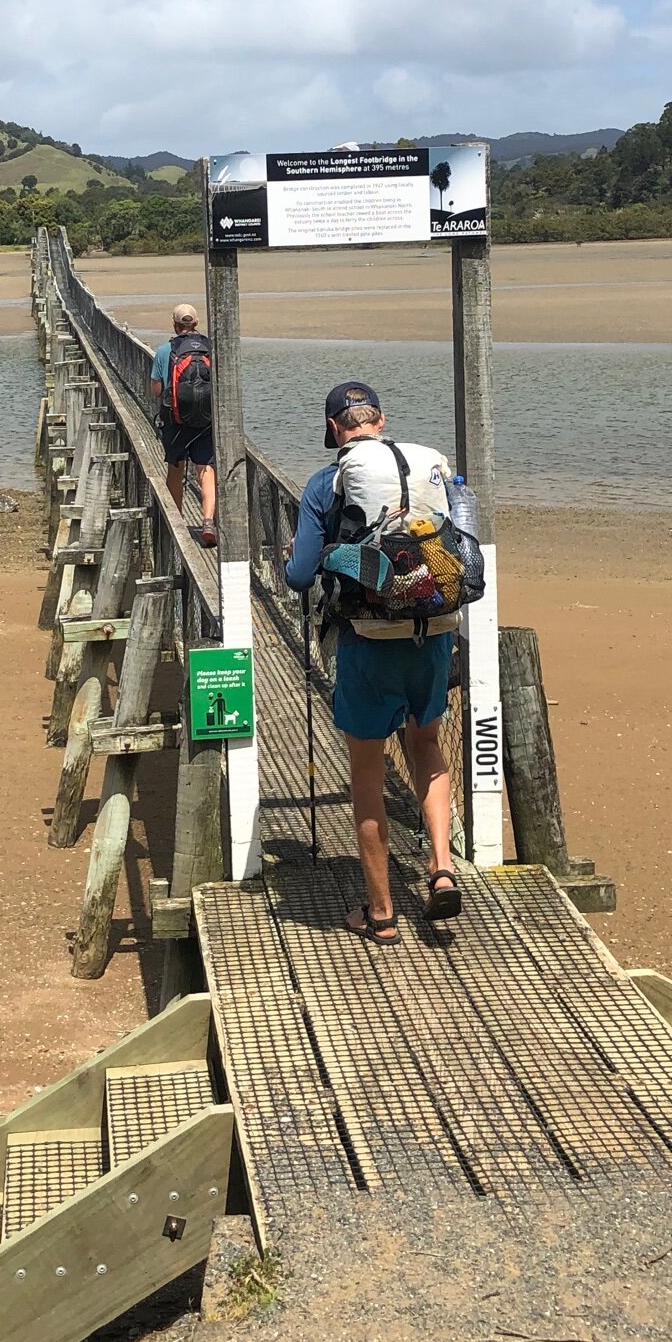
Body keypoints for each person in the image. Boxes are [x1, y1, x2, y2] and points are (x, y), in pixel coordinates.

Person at [284, 380, 463, 942]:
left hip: (367, 639)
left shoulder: (326, 482)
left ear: (333, 428)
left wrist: (303, 556)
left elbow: (299, 576)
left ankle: (381, 911)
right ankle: (441, 868)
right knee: (426, 746)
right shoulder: (427, 466)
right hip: (433, 630)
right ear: (380, 421)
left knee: (367, 769)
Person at [148, 302, 217, 547]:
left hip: (175, 422)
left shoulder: (165, 351)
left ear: (175, 325)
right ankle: (208, 521)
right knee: (205, 469)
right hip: (206, 422)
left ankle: (177, 522)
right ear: (196, 323)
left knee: (175, 469)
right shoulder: (210, 349)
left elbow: (157, 390)